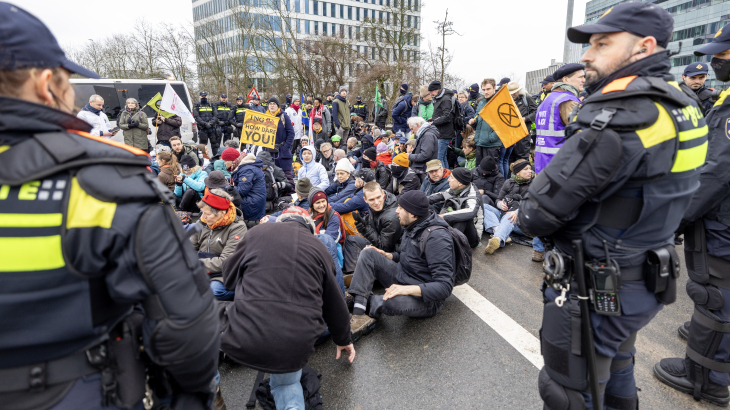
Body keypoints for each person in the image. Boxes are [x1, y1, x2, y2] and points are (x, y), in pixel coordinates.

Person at [0, 3, 221, 407]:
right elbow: (184, 325)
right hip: (79, 390)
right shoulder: (105, 183)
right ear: (46, 83)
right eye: (69, 82)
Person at [519, 3, 708, 408]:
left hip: (597, 284)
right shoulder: (682, 102)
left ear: (644, 47)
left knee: (568, 390)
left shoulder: (618, 117)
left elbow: (537, 212)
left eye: (602, 44)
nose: (587, 54)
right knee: (618, 366)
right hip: (646, 272)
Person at [653, 27, 730, 407]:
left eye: (722, 53)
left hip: (722, 220)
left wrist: (675, 219)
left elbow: (716, 173)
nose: (716, 62)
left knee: (714, 294)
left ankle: (705, 377)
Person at [219, 208, 355, 409]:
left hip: (243, 334)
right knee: (287, 384)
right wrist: (343, 339)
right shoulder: (319, 247)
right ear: (309, 228)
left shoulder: (257, 232)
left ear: (281, 221)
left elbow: (229, 279)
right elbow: (334, 303)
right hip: (293, 341)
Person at [348, 190, 455, 340]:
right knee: (369, 254)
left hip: (426, 298)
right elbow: (407, 256)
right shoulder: (411, 224)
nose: (396, 211)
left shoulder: (437, 238)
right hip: (404, 275)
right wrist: (388, 255)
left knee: (386, 301)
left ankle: (360, 302)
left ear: (412, 213)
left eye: (400, 208)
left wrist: (406, 289)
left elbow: (445, 287)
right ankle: (359, 314)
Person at [190, 189, 247, 301]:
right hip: (201, 270)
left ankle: (241, 294)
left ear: (222, 213)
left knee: (212, 292)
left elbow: (226, 261)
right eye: (202, 212)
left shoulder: (237, 228)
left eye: (207, 214)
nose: (203, 217)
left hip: (224, 274)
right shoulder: (202, 222)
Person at [533, 63, 585, 175]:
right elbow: (584, 136)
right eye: (580, 77)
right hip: (561, 169)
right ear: (566, 79)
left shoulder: (546, 101)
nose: (583, 80)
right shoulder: (568, 101)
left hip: (542, 166)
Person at [343, 181, 403, 272]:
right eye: (371, 199)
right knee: (351, 240)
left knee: (367, 252)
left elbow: (384, 247)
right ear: (365, 200)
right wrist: (364, 227)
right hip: (380, 241)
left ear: (383, 193)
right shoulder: (376, 208)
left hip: (393, 253)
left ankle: (364, 274)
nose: (376, 202)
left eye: (378, 197)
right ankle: (353, 273)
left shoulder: (391, 216)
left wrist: (366, 229)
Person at [483, 159, 536, 255]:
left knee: (510, 215)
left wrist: (516, 212)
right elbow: (498, 199)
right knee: (484, 206)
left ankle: (497, 238)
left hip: (524, 221)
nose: (530, 171)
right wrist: (500, 204)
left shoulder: (535, 183)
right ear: (517, 172)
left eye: (530, 168)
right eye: (526, 169)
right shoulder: (508, 182)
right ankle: (498, 229)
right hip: (505, 213)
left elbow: (533, 205)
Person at [428, 167, 483, 248]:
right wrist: (417, 200)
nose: (448, 179)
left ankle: (447, 246)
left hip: (471, 237)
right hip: (452, 226)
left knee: (463, 217)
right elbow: (439, 196)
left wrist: (443, 216)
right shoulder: (455, 189)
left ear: (460, 183)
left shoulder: (473, 194)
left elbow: (471, 212)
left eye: (451, 177)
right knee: (426, 206)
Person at [265, 97, 296, 186]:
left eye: (274, 104)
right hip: (269, 153)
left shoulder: (283, 116)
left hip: (282, 153)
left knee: (287, 177)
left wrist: (285, 148)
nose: (272, 106)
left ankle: (291, 196)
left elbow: (291, 133)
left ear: (278, 106)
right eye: (270, 104)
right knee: (271, 178)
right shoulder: (264, 117)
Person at [470, 79, 501, 166]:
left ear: (494, 88)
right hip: (480, 142)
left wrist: (491, 138)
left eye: (488, 89)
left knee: (491, 171)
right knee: (480, 169)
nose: (485, 92)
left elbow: (502, 125)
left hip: (492, 145)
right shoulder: (481, 102)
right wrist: (473, 122)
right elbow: (477, 118)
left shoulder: (499, 102)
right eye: (483, 90)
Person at [231, 153, 267, 226]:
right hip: (255, 202)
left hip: (251, 204)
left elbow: (242, 190)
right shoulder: (249, 167)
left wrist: (228, 188)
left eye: (226, 161)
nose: (225, 163)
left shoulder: (247, 169)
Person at [428, 80, 455, 170]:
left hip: (444, 133)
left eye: (431, 91)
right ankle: (447, 176)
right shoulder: (440, 98)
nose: (430, 94)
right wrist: (432, 119)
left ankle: (443, 177)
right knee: (443, 157)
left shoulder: (445, 99)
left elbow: (447, 116)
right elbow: (441, 114)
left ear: (436, 90)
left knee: (439, 158)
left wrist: (434, 122)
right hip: (442, 132)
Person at [508, 82, 538, 162]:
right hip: (510, 134)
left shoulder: (526, 98)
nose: (513, 95)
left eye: (514, 92)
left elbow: (536, 111)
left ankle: (524, 173)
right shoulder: (506, 99)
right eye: (511, 93)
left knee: (522, 158)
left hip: (523, 134)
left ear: (519, 91)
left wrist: (526, 119)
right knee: (509, 158)